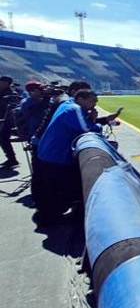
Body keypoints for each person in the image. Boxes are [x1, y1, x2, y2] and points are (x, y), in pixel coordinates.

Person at [33, 89, 118, 222]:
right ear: (81, 99)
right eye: (92, 101)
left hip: (47, 153)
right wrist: (95, 121)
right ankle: (51, 218)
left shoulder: (67, 105)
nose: (94, 105)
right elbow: (87, 129)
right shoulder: (74, 109)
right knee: (57, 188)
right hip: (56, 155)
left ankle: (49, 215)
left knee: (50, 188)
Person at [0, 76, 21, 168]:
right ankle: (11, 159)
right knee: (3, 140)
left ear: (7, 83)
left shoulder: (12, 94)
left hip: (6, 121)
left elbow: (14, 107)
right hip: (1, 118)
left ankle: (12, 159)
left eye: (2, 82)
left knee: (4, 139)